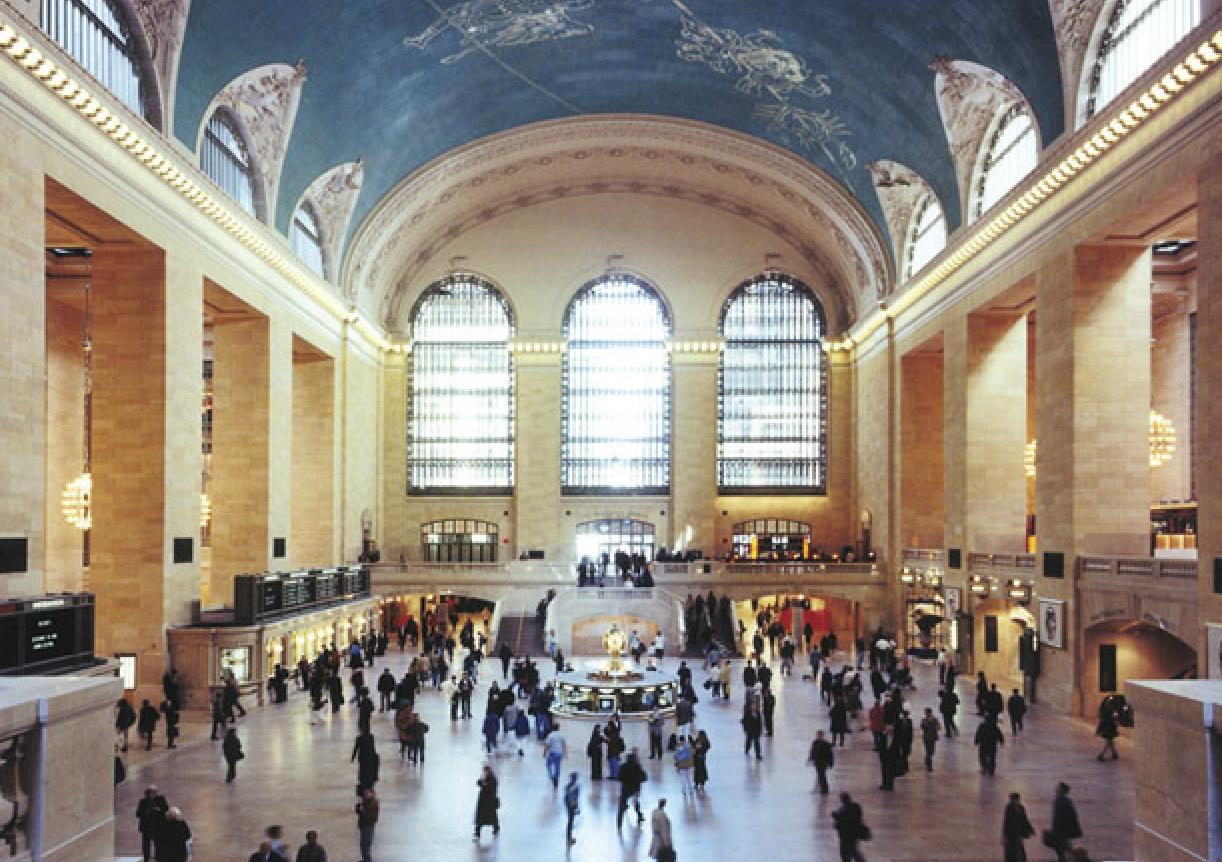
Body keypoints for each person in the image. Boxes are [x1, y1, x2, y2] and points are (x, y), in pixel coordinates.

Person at [1048, 782, 1083, 862]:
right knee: (1063, 848)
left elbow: (1060, 817)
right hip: (1063, 829)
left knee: (1062, 848)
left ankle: (1078, 858)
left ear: (1061, 789)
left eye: (1058, 787)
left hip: (1061, 829)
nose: (1055, 788)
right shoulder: (1064, 800)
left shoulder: (1060, 800)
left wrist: (1055, 828)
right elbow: (1073, 815)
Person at [832, 793, 869, 862]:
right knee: (853, 851)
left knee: (846, 853)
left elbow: (843, 821)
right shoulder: (856, 806)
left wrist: (836, 816)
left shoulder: (843, 810)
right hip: (854, 834)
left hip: (846, 835)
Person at [136, 785, 168, 862]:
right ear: (147, 793)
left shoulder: (161, 799)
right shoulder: (143, 801)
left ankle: (159, 859)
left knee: (159, 845)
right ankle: (146, 859)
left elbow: (166, 809)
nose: (153, 794)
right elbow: (138, 814)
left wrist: (159, 809)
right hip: (146, 827)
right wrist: (146, 812)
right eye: (151, 792)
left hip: (158, 827)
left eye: (154, 792)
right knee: (146, 846)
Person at [616, 749, 647, 829]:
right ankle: (639, 815)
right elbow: (644, 777)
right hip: (635, 788)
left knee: (622, 803)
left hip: (625, 789)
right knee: (636, 802)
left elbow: (619, 777)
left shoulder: (623, 766)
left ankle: (619, 822)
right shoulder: (637, 767)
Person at [1002, 792, 1035, 862]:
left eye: (1016, 799)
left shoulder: (1021, 808)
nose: (1015, 801)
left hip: (1018, 833)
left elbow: (1025, 819)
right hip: (1010, 833)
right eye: (1012, 800)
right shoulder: (1008, 808)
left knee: (1019, 851)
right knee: (1010, 852)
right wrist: (1004, 836)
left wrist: (1030, 829)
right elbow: (1006, 822)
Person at [474, 765, 500, 840]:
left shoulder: (493, 779)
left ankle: (496, 828)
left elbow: (490, 787)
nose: (485, 772)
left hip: (489, 801)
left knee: (492, 816)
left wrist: (484, 784)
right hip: (483, 802)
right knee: (480, 818)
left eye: (486, 771)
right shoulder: (484, 777)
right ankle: (477, 833)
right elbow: (478, 782)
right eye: (484, 771)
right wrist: (483, 783)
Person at [354, 787, 379, 862]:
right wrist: (358, 807)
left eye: (368, 793)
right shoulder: (364, 801)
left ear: (372, 794)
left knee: (366, 845)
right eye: (366, 793)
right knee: (362, 845)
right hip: (363, 825)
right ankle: (364, 859)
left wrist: (363, 810)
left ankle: (367, 860)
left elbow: (372, 817)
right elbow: (357, 811)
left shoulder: (374, 803)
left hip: (368, 826)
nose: (367, 795)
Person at [808, 729, 835, 794]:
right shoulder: (815, 742)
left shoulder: (826, 744)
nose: (818, 736)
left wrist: (831, 763)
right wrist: (810, 758)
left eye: (820, 735)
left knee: (821, 774)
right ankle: (824, 788)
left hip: (823, 762)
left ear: (822, 736)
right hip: (817, 762)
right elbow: (812, 751)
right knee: (821, 775)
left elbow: (830, 754)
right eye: (818, 735)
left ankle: (824, 789)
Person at [544, 722, 567, 788]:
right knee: (558, 766)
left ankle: (552, 776)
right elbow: (564, 745)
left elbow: (547, 745)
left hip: (552, 753)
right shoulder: (562, 735)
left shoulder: (550, 735)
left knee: (548, 765)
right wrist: (565, 753)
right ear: (558, 728)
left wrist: (544, 753)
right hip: (559, 753)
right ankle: (556, 779)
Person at [919, 707, 940, 772]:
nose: (925, 713)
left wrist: (935, 726)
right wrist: (929, 722)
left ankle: (927, 760)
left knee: (932, 752)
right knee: (928, 752)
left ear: (929, 713)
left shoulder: (935, 719)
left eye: (926, 712)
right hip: (926, 738)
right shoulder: (924, 720)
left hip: (933, 738)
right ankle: (929, 767)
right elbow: (922, 726)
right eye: (925, 712)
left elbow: (938, 727)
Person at [564, 771, 580, 845]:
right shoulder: (575, 786)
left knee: (570, 821)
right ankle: (569, 838)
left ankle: (569, 837)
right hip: (571, 804)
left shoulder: (568, 785)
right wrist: (574, 805)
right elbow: (574, 797)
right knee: (570, 821)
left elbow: (566, 796)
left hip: (568, 804)